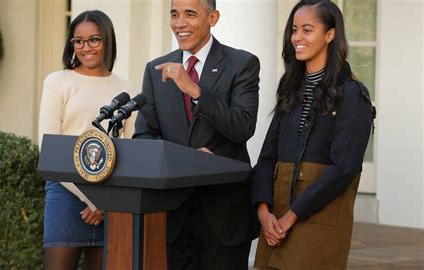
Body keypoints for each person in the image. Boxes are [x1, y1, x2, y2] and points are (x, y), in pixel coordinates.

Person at [133, 0, 260, 269]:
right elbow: (144, 136)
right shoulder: (155, 70)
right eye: (174, 14)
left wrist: (195, 91)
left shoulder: (242, 64)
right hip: (174, 214)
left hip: (224, 213)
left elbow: (243, 127)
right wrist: (185, 160)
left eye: (190, 14)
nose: (179, 23)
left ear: (212, 18)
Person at [251, 0, 375, 269]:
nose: (297, 37)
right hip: (277, 212)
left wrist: (292, 215)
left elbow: (345, 167)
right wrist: (263, 210)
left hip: (319, 216)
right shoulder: (290, 87)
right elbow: (267, 155)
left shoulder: (352, 94)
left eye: (307, 30)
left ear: (330, 35)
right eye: (294, 30)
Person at [38, 10, 138, 269]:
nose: (85, 47)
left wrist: (105, 202)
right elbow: (48, 150)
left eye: (94, 39)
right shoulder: (57, 82)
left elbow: (130, 151)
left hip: (111, 201)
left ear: (107, 40)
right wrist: (92, 200)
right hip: (65, 191)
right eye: (78, 41)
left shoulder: (127, 90)